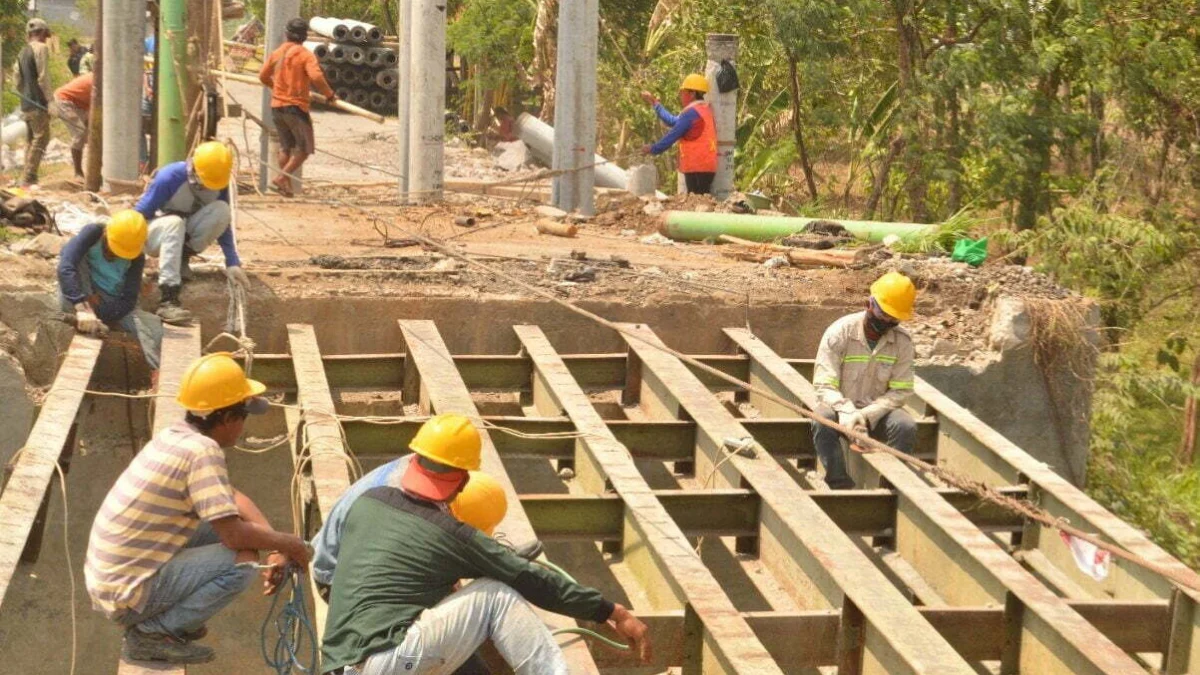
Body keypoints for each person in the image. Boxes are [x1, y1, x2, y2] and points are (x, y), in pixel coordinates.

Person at [320, 414, 651, 675]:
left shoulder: (369, 501)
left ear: (413, 460)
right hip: (387, 661)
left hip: (340, 663)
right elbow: (530, 579)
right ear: (463, 480)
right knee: (495, 594)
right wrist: (610, 611)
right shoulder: (452, 534)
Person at [84, 353, 311, 665]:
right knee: (241, 561)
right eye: (243, 417)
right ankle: (152, 633)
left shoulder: (178, 435)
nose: (243, 427)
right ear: (229, 418)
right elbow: (233, 536)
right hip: (125, 592)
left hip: (111, 577)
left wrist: (274, 542)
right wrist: (291, 544)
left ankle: (169, 620)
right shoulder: (203, 451)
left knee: (235, 536)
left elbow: (230, 496)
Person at [811, 271, 918, 489]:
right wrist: (848, 413)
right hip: (840, 410)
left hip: (877, 413)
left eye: (893, 318)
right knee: (821, 419)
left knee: (905, 425)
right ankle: (840, 484)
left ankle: (891, 489)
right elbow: (824, 384)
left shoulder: (903, 342)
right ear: (868, 304)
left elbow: (901, 391)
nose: (887, 321)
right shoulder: (840, 333)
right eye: (884, 314)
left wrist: (866, 416)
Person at [135, 141, 247, 325]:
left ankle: (181, 259)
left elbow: (224, 224)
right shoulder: (170, 177)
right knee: (174, 222)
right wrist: (134, 262)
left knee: (222, 210)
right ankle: (168, 298)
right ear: (194, 169)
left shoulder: (220, 182)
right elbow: (138, 218)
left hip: (183, 235)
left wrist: (232, 262)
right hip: (157, 236)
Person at [57, 210, 162, 371]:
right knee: (70, 252)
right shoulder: (93, 232)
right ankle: (83, 315)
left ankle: (158, 377)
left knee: (153, 331)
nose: (114, 254)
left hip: (111, 300)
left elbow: (128, 300)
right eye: (113, 248)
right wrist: (81, 306)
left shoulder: (137, 257)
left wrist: (100, 314)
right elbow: (66, 266)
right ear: (106, 233)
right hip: (86, 292)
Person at [258, 18, 336, 197]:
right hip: (295, 107)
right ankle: (281, 177)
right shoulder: (305, 55)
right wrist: (329, 95)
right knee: (305, 148)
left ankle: (286, 185)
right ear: (304, 36)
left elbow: (262, 76)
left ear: (287, 34)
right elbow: (316, 77)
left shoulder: (277, 53)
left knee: (286, 146)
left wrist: (276, 87)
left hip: (277, 107)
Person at [639, 73, 717, 195]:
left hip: (697, 167)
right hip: (705, 166)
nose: (681, 95)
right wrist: (654, 103)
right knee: (701, 201)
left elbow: (672, 135)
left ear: (692, 94)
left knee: (697, 202)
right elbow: (673, 121)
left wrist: (652, 149)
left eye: (683, 92)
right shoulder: (702, 110)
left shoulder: (691, 114)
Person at [12, 18, 53, 187]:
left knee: (31, 140)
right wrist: (50, 101)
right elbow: (43, 78)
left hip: (26, 103)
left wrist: (24, 95)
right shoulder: (41, 48)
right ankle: (29, 176)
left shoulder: (23, 51)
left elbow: (17, 79)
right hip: (38, 102)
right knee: (41, 138)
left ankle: (27, 177)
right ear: (43, 33)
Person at [53, 72, 93, 179]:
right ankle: (78, 172)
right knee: (80, 133)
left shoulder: (100, 81)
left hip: (80, 104)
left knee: (91, 135)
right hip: (65, 101)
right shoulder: (97, 82)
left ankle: (94, 171)